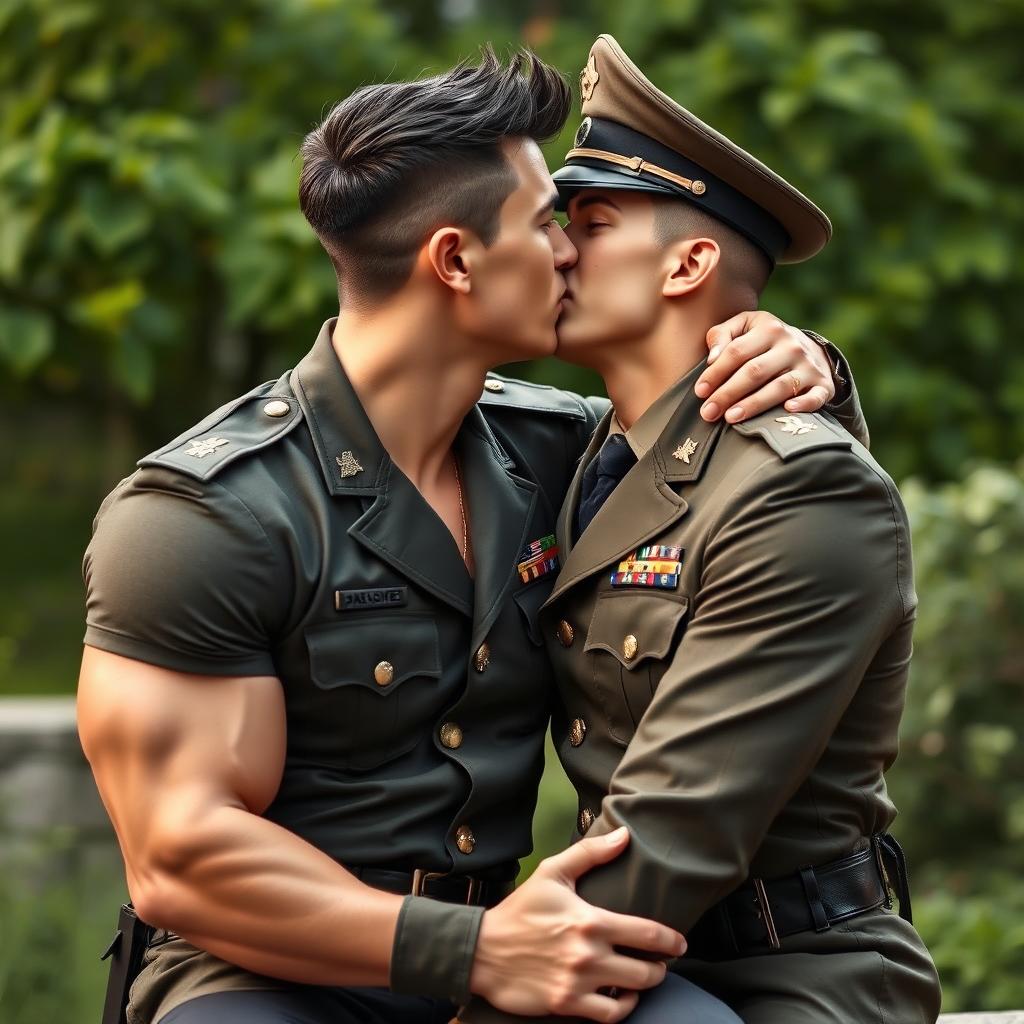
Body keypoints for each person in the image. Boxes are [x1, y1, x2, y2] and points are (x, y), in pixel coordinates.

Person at [78, 47, 858, 1024]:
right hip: (276, 976)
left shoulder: (564, 455)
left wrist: (794, 354)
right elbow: (181, 855)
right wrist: (474, 950)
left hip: (525, 954)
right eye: (546, 224)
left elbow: (752, 498)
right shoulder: (205, 515)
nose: (572, 250)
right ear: (455, 259)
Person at [460, 35, 942, 1024]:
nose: (556, 249)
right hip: (630, 968)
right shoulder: (581, 454)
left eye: (591, 222)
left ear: (687, 263)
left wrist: (479, 991)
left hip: (790, 973)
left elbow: (672, 837)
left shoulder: (800, 490)